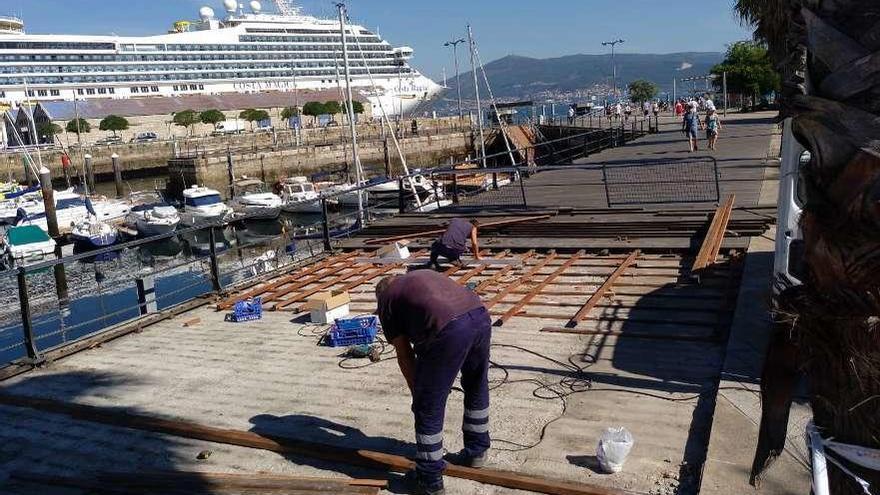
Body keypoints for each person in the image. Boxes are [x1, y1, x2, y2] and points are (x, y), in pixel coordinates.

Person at [376, 271, 492, 495]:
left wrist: (418, 396)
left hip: (448, 327)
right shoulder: (419, 277)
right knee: (476, 384)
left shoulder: (387, 299)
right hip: (480, 316)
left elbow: (404, 355)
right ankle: (477, 451)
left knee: (429, 405)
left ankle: (429, 479)